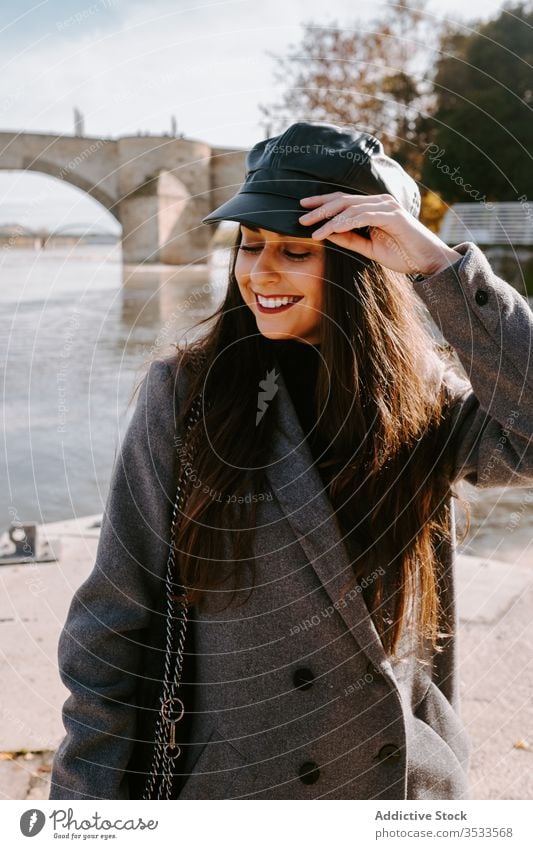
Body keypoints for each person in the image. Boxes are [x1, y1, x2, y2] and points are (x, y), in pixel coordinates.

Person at [49, 122, 533, 800]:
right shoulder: (186, 396)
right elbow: (110, 620)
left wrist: (436, 267)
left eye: (294, 250)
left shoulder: (427, 402)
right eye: (250, 244)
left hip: (399, 793)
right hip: (237, 788)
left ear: (362, 263)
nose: (260, 271)